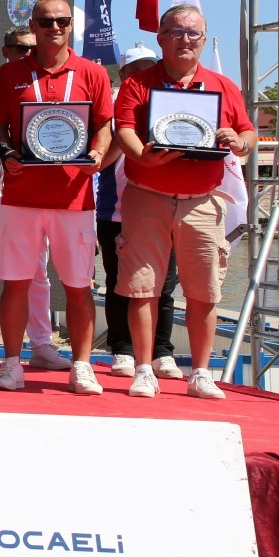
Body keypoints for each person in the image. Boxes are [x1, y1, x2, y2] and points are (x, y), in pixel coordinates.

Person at [112, 3, 256, 400]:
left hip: (203, 201)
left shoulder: (223, 85)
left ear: (204, 39)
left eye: (193, 33)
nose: (185, 39)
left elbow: (247, 132)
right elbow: (124, 129)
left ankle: (202, 373)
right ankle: (144, 369)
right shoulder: (138, 83)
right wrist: (142, 156)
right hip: (147, 196)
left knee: (205, 291)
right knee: (142, 288)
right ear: (161, 38)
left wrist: (240, 142)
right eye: (176, 32)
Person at [0, 0, 114, 394]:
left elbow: (104, 127)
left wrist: (97, 154)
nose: (54, 27)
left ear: (71, 25)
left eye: (62, 21)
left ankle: (82, 366)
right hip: (21, 195)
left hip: (74, 198)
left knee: (78, 286)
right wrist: (6, 153)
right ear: (33, 25)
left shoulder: (93, 72)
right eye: (45, 21)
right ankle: (11, 364)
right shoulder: (11, 73)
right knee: (15, 283)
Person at [0, 26, 67, 370]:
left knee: (38, 273)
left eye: (32, 49)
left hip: (34, 195)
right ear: (5, 51)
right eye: (20, 48)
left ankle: (41, 344)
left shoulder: (46, 90)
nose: (27, 54)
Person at [99, 45, 183, 379]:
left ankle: (163, 352)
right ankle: (122, 349)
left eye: (149, 68)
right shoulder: (110, 110)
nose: (142, 75)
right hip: (115, 210)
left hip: (162, 206)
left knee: (164, 286)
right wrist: (122, 137)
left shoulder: (170, 109)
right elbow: (100, 160)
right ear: (123, 75)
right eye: (135, 70)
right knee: (119, 283)